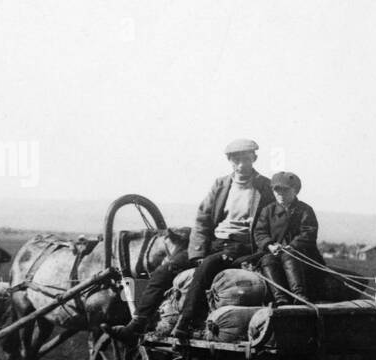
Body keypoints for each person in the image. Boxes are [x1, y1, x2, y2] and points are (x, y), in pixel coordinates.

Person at [111, 138, 274, 342]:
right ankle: (138, 322)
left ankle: (186, 321)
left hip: (240, 246)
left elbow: (271, 220)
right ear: (230, 161)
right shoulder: (221, 184)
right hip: (215, 242)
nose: (241, 165)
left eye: (246, 159)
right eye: (236, 160)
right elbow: (203, 218)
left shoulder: (265, 187)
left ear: (254, 159)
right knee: (166, 268)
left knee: (206, 267)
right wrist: (197, 251)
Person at [253, 172, 321, 301]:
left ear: (295, 191)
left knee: (289, 256)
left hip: (301, 254)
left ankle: (299, 295)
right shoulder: (268, 210)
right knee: (267, 261)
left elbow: (308, 233)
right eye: (277, 190)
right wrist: (270, 245)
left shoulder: (305, 210)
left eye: (285, 190)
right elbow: (260, 232)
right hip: (273, 252)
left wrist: (292, 246)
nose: (280, 194)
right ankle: (280, 297)